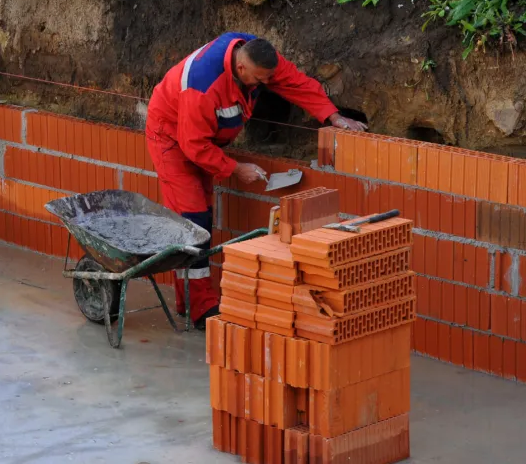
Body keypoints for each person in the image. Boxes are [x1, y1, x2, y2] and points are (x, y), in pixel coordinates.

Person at [145, 33, 367, 329]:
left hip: (200, 139)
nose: (264, 86)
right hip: (172, 139)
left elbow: (296, 84)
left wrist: (333, 117)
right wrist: (236, 168)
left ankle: (189, 299)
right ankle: (200, 309)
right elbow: (193, 146)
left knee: (203, 214)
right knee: (193, 217)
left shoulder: (259, 56)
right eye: (259, 81)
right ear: (241, 70)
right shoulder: (202, 86)